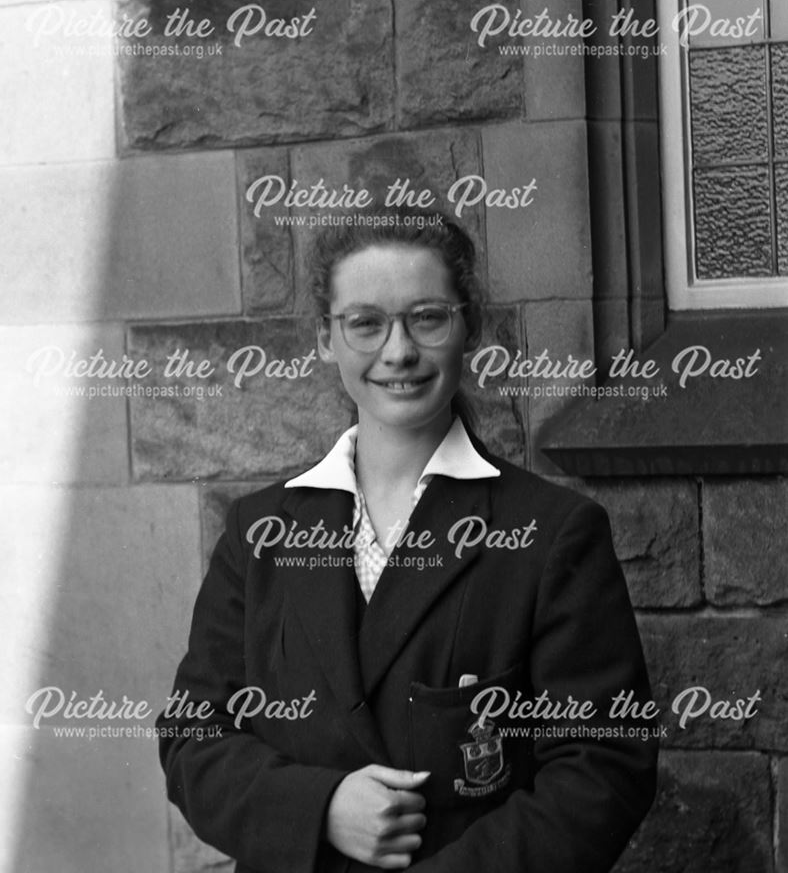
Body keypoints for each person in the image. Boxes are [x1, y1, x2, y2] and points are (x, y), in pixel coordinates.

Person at [159, 209, 658, 873]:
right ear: (325, 339)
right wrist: (321, 806)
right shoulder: (259, 533)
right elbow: (195, 738)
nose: (397, 352)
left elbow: (602, 768)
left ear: (468, 327)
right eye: (365, 323)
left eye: (427, 317)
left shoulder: (553, 534)